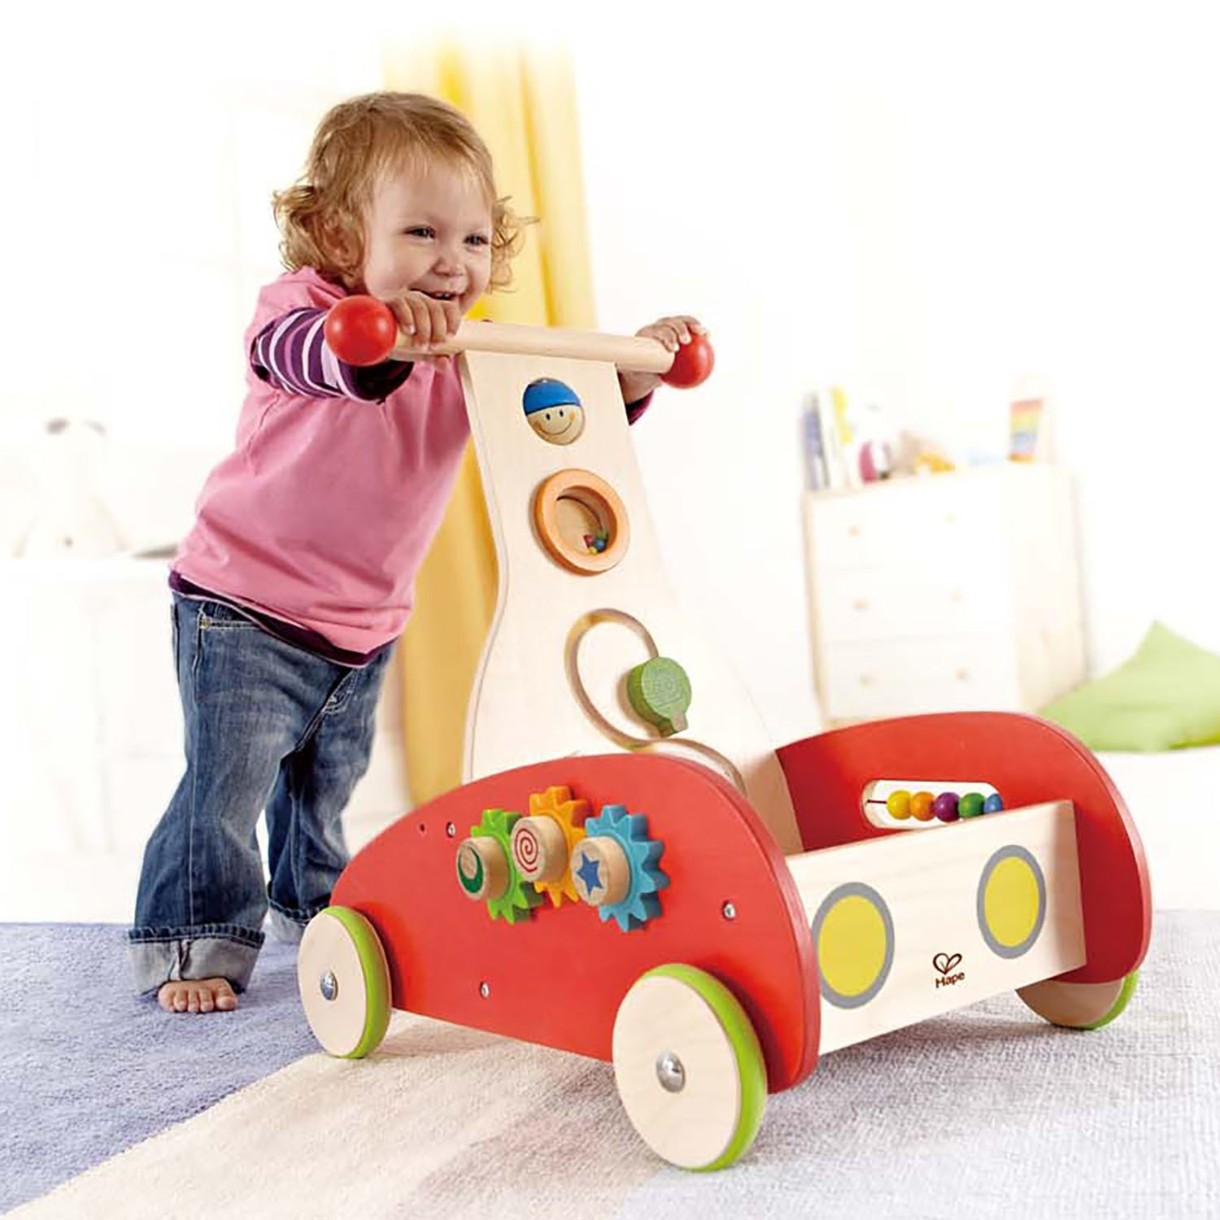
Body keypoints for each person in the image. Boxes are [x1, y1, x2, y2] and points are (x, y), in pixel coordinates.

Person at [128, 91, 706, 1013]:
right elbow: (317, 358)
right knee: (227, 787)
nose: (451, 261)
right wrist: (386, 341)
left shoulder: (473, 351)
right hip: (242, 604)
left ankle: (318, 911)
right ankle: (190, 944)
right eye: (422, 233)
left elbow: (557, 407)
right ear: (341, 237)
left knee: (323, 790)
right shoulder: (306, 313)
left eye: (473, 240)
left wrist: (634, 374)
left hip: (362, 622)